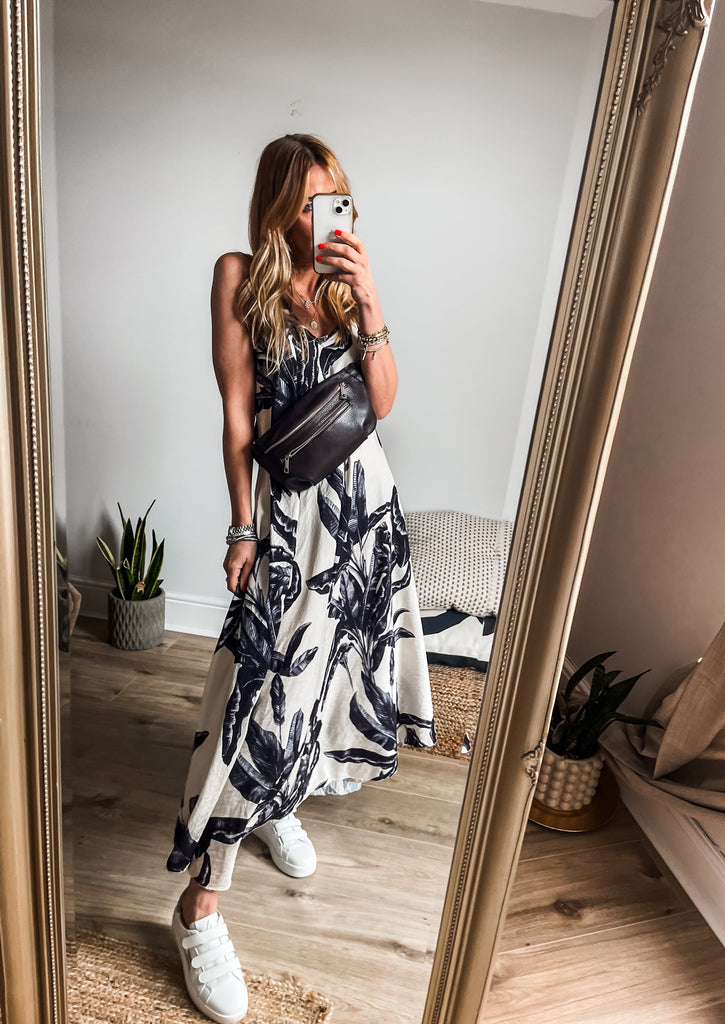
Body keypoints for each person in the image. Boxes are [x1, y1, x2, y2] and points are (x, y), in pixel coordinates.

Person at [166, 133, 435, 1024]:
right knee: (261, 696)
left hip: (366, 517)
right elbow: (237, 416)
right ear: (279, 201)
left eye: (335, 196)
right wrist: (242, 526)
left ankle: (278, 804)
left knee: (327, 686)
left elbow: (381, 402)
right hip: (292, 522)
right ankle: (200, 908)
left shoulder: (345, 286)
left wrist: (370, 298)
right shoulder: (238, 276)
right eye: (310, 197)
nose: (324, 213)